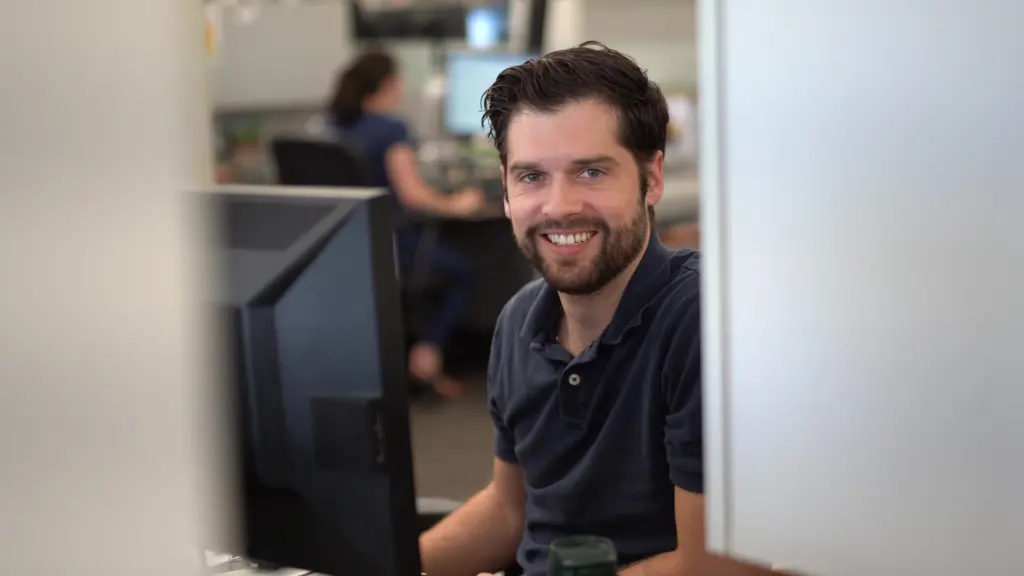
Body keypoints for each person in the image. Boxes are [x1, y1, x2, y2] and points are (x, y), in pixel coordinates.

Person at [418, 43, 775, 576]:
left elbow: (716, 567)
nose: (559, 205)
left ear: (651, 179)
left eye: (590, 172)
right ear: (507, 191)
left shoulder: (706, 320)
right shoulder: (519, 321)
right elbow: (508, 511)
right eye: (532, 176)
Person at [328, 50, 485, 398]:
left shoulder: (332, 125)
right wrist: (456, 204)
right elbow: (413, 195)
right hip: (392, 245)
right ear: (388, 84)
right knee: (462, 273)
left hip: (343, 249)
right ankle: (427, 355)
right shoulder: (391, 129)